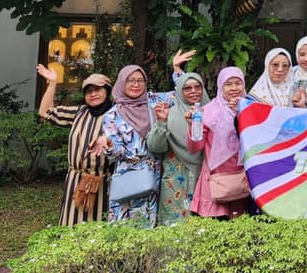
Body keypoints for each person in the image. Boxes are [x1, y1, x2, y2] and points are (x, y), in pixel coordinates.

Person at [91, 65, 169, 228]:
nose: (136, 84)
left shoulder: (154, 102)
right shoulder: (113, 115)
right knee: (127, 225)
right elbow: (117, 154)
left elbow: (183, 93)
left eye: (140, 80)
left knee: (156, 225)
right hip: (130, 176)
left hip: (157, 172)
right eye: (130, 80)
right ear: (122, 83)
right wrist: (109, 143)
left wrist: (177, 70)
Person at [36, 66, 113, 226]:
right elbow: (45, 112)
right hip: (75, 179)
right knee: (71, 225)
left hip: (104, 181)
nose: (93, 94)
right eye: (88, 91)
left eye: (97, 89)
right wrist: (52, 84)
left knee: (100, 226)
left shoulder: (117, 114)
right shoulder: (79, 112)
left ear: (107, 91)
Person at [147, 71, 207, 226]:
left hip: (205, 177)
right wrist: (162, 122)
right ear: (180, 91)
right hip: (176, 181)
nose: (193, 91)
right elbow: (155, 147)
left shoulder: (212, 112)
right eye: (187, 88)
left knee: (205, 226)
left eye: (197, 87)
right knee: (174, 228)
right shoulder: (170, 114)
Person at [188, 67, 250, 219]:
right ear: (220, 87)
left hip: (243, 179)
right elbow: (195, 147)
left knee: (242, 226)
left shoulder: (251, 109)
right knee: (215, 226)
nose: (234, 88)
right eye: (228, 84)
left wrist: (241, 114)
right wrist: (192, 126)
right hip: (215, 180)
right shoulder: (208, 112)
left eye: (238, 83)